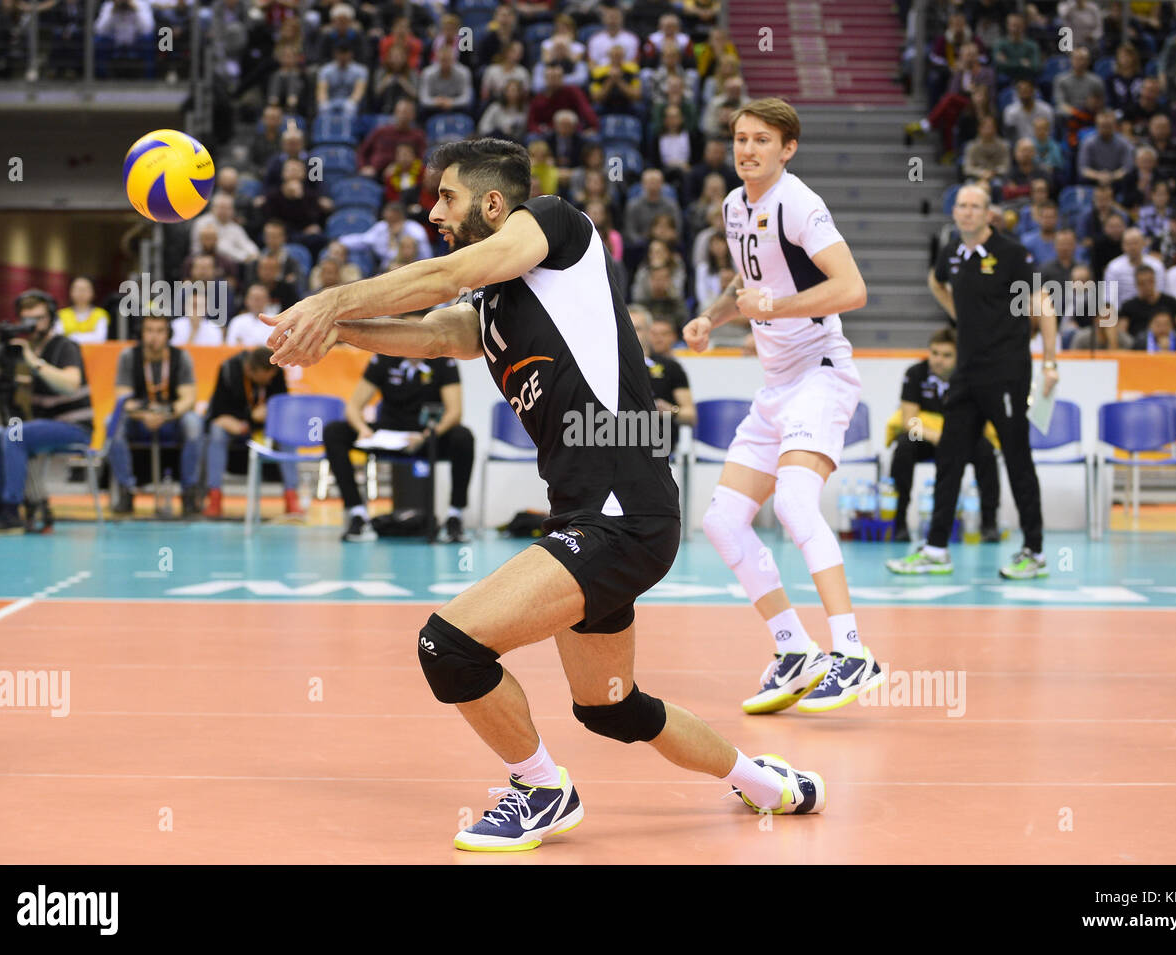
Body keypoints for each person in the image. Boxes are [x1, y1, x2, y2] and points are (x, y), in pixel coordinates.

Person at [262, 137, 827, 851]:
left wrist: (331, 297)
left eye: (448, 197)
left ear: (494, 203)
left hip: (620, 513)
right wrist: (334, 331)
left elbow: (449, 273)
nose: (434, 210)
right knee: (613, 708)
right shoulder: (499, 304)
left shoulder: (558, 230)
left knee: (449, 645)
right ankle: (770, 783)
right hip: (597, 516)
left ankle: (540, 788)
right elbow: (437, 334)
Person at [679, 98, 883, 716]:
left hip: (821, 375)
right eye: (740, 139)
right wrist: (712, 317)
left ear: (787, 148)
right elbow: (750, 284)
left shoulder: (800, 202)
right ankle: (795, 651)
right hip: (774, 388)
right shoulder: (734, 205)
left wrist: (776, 309)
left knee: (795, 503)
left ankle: (852, 652)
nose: (747, 150)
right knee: (721, 521)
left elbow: (852, 289)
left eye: (761, 140)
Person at [890, 184, 1059, 579]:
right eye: (961, 206)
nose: (966, 213)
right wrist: (962, 320)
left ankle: (1033, 552)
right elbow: (936, 282)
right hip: (965, 373)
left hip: (1007, 372)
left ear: (988, 214)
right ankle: (935, 549)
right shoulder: (951, 251)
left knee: (1017, 458)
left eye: (975, 207)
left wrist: (1050, 364)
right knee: (950, 457)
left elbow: (1043, 305)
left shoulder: (1012, 253)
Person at [322, 328, 475, 543]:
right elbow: (353, 408)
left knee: (463, 437)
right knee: (334, 432)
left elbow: (454, 412)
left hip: (425, 437)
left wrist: (428, 435)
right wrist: (362, 429)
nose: (413, 339)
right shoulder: (384, 358)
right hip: (387, 434)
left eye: (420, 333)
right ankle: (357, 513)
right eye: (408, 333)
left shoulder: (443, 361)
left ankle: (454, 517)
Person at [0, 290, 93, 535]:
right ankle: (0, 506)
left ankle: (12, 510)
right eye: (27, 320)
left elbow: (70, 384)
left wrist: (33, 362)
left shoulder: (65, 346)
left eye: (39, 319)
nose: (33, 326)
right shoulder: (22, 349)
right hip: (43, 424)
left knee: (13, 435)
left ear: (51, 318)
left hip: (74, 427)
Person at [888, 328, 1000, 543]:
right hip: (926, 438)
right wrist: (938, 437)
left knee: (985, 449)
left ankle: (989, 523)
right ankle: (900, 521)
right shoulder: (915, 373)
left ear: (959, 356)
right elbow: (909, 421)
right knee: (904, 446)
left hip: (962, 437)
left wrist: (957, 437)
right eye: (935, 353)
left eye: (947, 355)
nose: (938, 360)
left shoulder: (969, 376)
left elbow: (981, 416)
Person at [106, 311, 205, 516]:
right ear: (141, 333)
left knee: (194, 423)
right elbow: (123, 398)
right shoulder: (129, 356)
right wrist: (145, 415)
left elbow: (188, 398)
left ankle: (189, 491)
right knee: (112, 422)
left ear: (168, 334)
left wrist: (165, 414)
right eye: (149, 330)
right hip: (139, 419)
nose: (154, 336)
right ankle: (126, 490)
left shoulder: (181, 356)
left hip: (172, 419)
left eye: (160, 331)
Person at [201, 347, 302, 519]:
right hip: (235, 423)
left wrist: (269, 413)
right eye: (265, 378)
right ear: (249, 370)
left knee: (287, 433)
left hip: (266, 425)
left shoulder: (275, 370)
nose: (269, 382)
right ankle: (215, 496)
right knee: (217, 431)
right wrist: (247, 418)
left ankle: (291, 497)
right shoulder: (228, 369)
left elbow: (283, 406)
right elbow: (217, 411)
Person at [628, 304, 696, 456]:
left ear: (649, 332)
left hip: (657, 440)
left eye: (637, 328)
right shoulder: (611, 366)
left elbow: (690, 414)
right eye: (626, 327)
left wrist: (671, 410)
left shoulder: (670, 367)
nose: (630, 333)